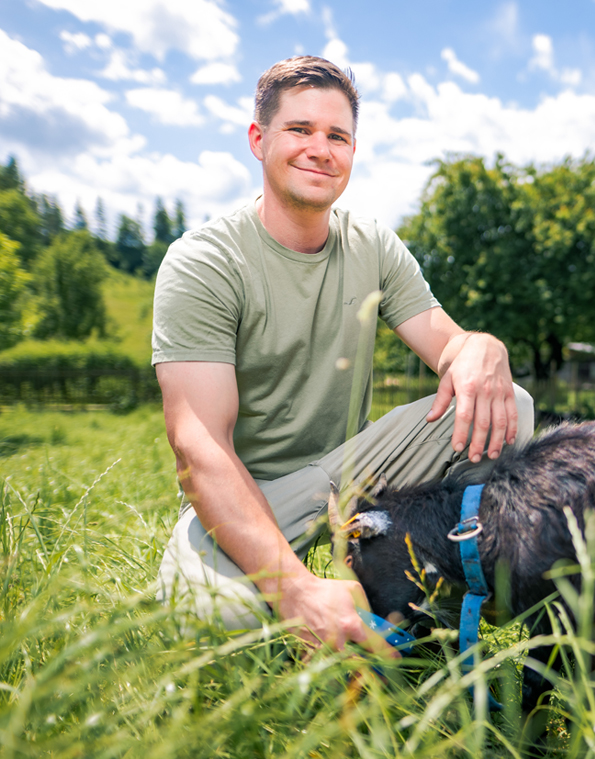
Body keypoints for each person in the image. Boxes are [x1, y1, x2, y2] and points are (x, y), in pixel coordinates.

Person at [152, 55, 533, 657]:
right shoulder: (204, 261)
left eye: (338, 136)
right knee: (218, 626)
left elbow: (449, 343)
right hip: (253, 495)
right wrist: (296, 590)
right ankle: (317, 593)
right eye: (299, 130)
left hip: (352, 482)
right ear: (259, 140)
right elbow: (200, 451)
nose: (320, 149)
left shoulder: (373, 244)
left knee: (507, 403)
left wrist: (480, 347)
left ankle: (416, 580)